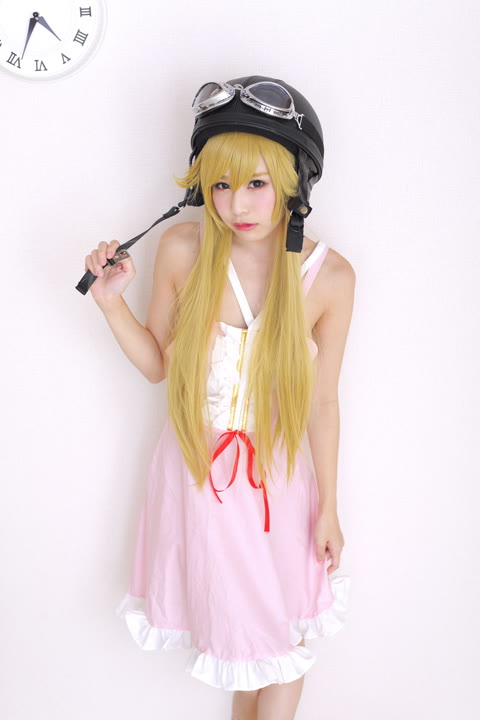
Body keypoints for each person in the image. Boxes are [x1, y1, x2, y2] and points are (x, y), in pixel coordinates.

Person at [84, 76, 355, 720]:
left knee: (279, 637)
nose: (237, 204)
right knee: (246, 641)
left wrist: (329, 508)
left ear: (294, 180)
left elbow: (323, 404)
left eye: (256, 183)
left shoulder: (330, 276)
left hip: (277, 483)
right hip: (197, 475)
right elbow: (158, 365)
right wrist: (111, 304)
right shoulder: (184, 249)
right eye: (221, 185)